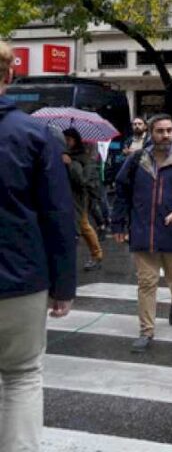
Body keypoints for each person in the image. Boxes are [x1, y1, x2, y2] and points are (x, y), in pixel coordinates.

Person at [0, 42, 77, 452]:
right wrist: (63, 285)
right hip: (22, 278)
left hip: (21, 275)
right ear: (9, 76)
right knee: (22, 375)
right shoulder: (35, 136)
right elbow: (57, 215)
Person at [112, 113, 172, 352]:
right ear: (151, 134)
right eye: (160, 131)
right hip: (142, 231)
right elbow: (121, 190)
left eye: (169, 131)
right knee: (146, 282)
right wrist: (119, 224)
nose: (165, 135)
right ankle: (146, 331)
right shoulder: (137, 159)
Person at [63, 128, 105, 272]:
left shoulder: (82, 158)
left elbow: (82, 180)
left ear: (75, 141)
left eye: (69, 139)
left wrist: (70, 164)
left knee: (84, 226)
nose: (66, 142)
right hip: (64, 196)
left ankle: (97, 255)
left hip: (79, 199)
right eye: (65, 139)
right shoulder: (63, 154)